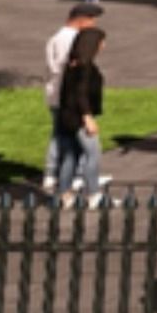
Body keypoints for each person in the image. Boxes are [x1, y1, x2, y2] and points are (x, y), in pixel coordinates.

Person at [43, 3, 101, 195]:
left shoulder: (55, 37)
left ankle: (60, 180)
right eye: (92, 20)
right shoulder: (71, 39)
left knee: (63, 139)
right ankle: (79, 180)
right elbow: (72, 72)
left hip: (56, 95)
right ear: (82, 20)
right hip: (69, 98)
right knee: (76, 144)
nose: (93, 25)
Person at [53, 27, 107, 209]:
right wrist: (87, 117)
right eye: (101, 42)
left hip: (67, 115)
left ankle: (64, 193)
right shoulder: (85, 67)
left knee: (71, 155)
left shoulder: (72, 64)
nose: (103, 46)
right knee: (93, 153)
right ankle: (93, 194)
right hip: (78, 117)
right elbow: (81, 93)